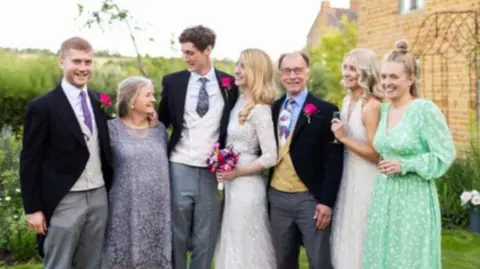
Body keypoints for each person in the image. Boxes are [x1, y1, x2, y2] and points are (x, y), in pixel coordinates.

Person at [19, 36, 113, 269]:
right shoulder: (42, 107)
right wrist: (33, 209)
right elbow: (30, 160)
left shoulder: (97, 100)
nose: (83, 68)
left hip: (99, 196)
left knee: (92, 264)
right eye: (77, 61)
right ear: (62, 62)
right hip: (64, 200)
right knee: (58, 264)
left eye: (88, 62)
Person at [362, 40, 456, 269]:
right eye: (384, 77)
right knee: (382, 254)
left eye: (394, 77)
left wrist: (406, 164)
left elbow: (446, 154)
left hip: (414, 199)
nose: (386, 83)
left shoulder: (424, 110)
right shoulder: (383, 110)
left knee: (408, 258)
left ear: (410, 79)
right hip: (384, 196)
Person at [157, 25, 240, 269]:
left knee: (206, 236)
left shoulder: (229, 84)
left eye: (191, 52)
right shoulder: (173, 82)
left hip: (211, 172)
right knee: (177, 233)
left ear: (208, 50)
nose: (186, 58)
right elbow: (161, 121)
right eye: (183, 52)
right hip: (179, 165)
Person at [268, 51, 344, 269]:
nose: (292, 76)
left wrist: (326, 202)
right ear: (281, 75)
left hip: (311, 199)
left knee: (319, 260)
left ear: (307, 73)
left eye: (298, 70)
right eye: (287, 71)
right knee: (283, 261)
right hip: (278, 197)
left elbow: (334, 161)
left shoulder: (327, 110)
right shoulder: (273, 109)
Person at [214, 48, 278, 269]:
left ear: (256, 71)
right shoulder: (239, 102)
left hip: (248, 186)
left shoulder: (260, 110)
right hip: (233, 185)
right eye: (237, 65)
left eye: (243, 66)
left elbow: (271, 156)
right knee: (233, 239)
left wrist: (238, 171)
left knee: (246, 241)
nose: (236, 71)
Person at [101, 76, 171, 269]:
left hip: (157, 208)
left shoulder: (159, 130)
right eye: (148, 95)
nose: (153, 100)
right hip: (124, 206)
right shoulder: (111, 130)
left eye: (153, 95)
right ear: (131, 100)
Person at [330, 48, 383, 269]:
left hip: (366, 180)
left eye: (353, 68)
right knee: (344, 233)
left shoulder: (371, 106)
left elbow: (375, 153)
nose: (347, 73)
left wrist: (343, 138)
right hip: (347, 177)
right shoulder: (346, 100)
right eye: (345, 67)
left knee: (361, 234)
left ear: (365, 72)